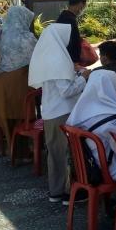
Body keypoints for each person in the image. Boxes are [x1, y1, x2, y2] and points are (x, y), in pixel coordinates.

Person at [29, 24, 89, 204]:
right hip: (62, 112)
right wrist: (83, 78)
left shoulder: (46, 57)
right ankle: (68, 193)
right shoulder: (59, 59)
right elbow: (66, 91)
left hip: (49, 111)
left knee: (54, 153)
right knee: (66, 153)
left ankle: (55, 191)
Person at [0, 6, 37, 153]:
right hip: (17, 84)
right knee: (21, 116)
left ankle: (9, 146)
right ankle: (22, 152)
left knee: (4, 116)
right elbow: (36, 59)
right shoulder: (27, 38)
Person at [56, 0, 87, 64]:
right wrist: (75, 62)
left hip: (63, 59)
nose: (84, 7)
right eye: (84, 4)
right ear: (80, 4)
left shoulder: (64, 16)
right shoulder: (69, 19)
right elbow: (72, 43)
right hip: (69, 61)